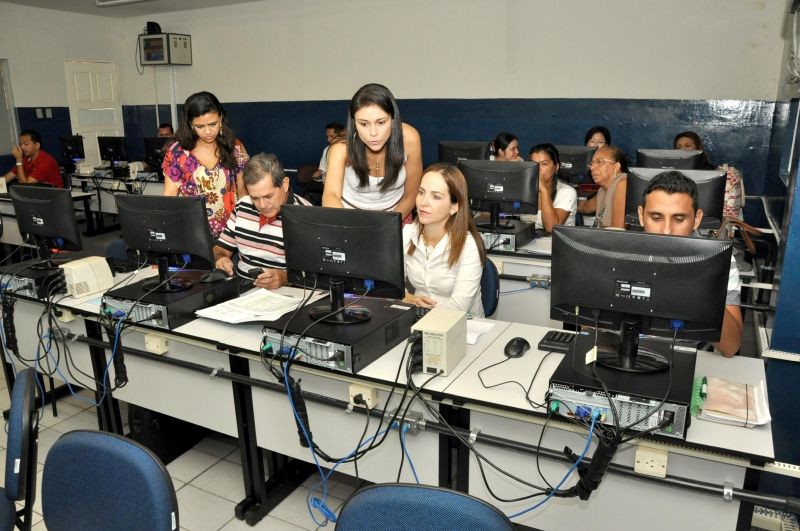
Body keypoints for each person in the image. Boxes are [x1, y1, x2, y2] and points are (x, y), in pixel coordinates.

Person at [637, 171, 743, 357]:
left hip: (690, 357)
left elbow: (731, 346)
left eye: (679, 219)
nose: (667, 231)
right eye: (656, 218)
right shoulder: (621, 253)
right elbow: (589, 326)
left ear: (697, 219)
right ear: (641, 215)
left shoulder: (720, 260)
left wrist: (699, 285)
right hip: (629, 353)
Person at [323, 83, 422, 219]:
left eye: (381, 122)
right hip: (348, 215)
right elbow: (330, 196)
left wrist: (388, 226)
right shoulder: (340, 148)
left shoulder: (409, 138)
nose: (373, 133)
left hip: (397, 215)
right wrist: (348, 228)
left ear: (393, 120)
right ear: (353, 123)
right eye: (363, 124)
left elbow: (411, 196)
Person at [213, 153, 311, 290]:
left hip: (287, 291)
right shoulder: (243, 206)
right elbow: (221, 248)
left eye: (268, 196)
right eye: (255, 198)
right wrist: (220, 258)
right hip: (242, 286)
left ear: (285, 184)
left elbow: (315, 274)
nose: (263, 205)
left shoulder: (305, 215)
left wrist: (284, 278)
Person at [162, 91, 249, 238]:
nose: (208, 131)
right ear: (190, 125)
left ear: (221, 118)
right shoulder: (178, 152)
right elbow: (170, 196)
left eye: (213, 124)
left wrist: (245, 228)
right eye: (200, 126)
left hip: (230, 233)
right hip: (192, 232)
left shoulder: (235, 147)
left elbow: (243, 192)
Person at [403, 163, 486, 316]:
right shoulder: (407, 233)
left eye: (436, 197)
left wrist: (419, 312)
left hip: (464, 328)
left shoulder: (468, 244)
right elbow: (390, 287)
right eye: (421, 193)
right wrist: (406, 297)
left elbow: (459, 307)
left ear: (454, 206)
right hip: (418, 320)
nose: (423, 202)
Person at [673, 130, 744, 221]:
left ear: (698, 149)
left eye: (687, 146)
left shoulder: (709, 171)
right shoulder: (671, 170)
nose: (682, 150)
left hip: (701, 217)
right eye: (678, 147)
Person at [528, 143, 577, 231]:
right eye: (534, 164)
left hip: (557, 243)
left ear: (556, 166)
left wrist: (544, 190)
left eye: (544, 164)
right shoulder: (526, 190)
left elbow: (551, 228)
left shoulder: (567, 192)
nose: (538, 169)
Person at [577, 146, 628, 228]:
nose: (592, 168)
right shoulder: (602, 189)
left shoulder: (622, 184)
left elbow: (618, 232)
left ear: (616, 166)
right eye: (592, 163)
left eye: (599, 161)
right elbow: (585, 207)